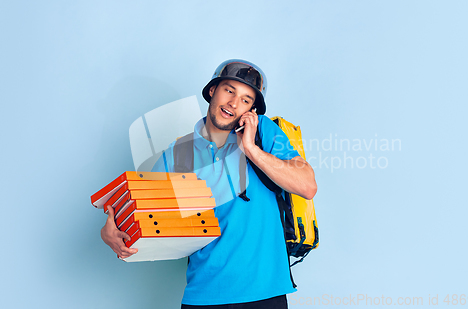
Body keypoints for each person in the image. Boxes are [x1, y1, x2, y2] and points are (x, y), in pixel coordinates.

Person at [101, 59, 317, 308]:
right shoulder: (177, 154)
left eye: (246, 100)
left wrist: (250, 148)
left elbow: (307, 186)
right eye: (229, 90)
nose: (234, 104)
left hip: (264, 294)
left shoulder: (262, 133)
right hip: (202, 297)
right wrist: (109, 232)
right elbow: (142, 213)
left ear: (251, 111)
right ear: (213, 90)